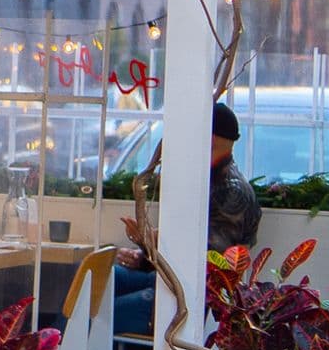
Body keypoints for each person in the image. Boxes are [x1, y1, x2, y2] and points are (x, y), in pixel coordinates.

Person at [111, 102, 261, 335]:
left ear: (207, 138)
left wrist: (153, 240)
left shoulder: (232, 192)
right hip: (164, 282)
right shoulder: (206, 179)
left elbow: (211, 260)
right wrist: (142, 254)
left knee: (97, 312)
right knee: (96, 279)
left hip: (185, 296)